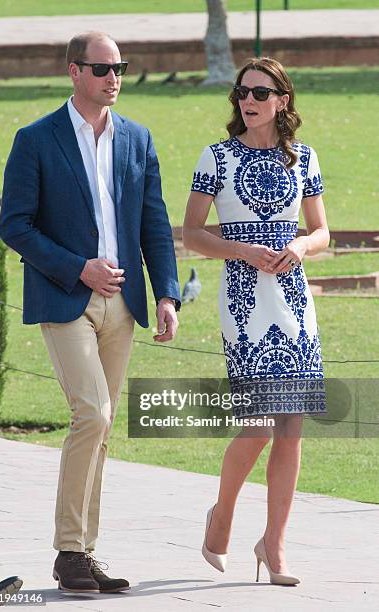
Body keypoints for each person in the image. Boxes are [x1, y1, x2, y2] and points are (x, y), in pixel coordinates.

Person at [0, 31, 180, 594]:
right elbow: (15, 225)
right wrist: (79, 267)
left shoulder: (137, 139)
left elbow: (154, 221)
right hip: (66, 298)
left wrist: (167, 294)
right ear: (74, 71)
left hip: (123, 304)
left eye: (120, 67)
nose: (114, 77)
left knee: (100, 432)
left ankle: (83, 553)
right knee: (93, 415)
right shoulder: (35, 139)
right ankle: (69, 551)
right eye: (102, 69)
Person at [183, 57, 329, 585]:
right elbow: (192, 234)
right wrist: (242, 250)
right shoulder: (216, 158)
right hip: (244, 300)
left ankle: (274, 545)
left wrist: (297, 245)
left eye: (261, 93)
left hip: (292, 301)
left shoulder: (303, 158)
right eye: (243, 92)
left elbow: (321, 233)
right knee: (261, 423)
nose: (249, 100)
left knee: (291, 428)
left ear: (282, 101)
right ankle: (221, 514)